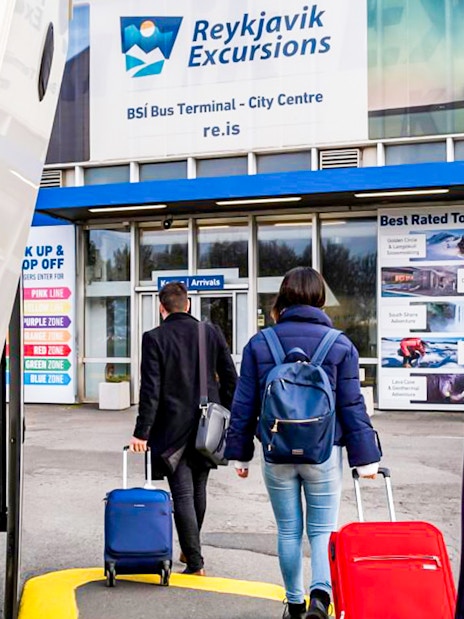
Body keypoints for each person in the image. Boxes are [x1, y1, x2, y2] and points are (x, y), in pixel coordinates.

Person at [224, 267, 382, 619]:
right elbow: (351, 405)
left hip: (276, 451)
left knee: (289, 530)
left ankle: (294, 604)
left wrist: (239, 454)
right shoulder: (340, 344)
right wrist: (365, 458)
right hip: (324, 453)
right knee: (322, 529)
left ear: (284, 297)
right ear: (320, 299)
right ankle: (321, 599)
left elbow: (244, 402)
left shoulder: (260, 343)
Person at [129, 281, 237, 576]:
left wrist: (142, 431)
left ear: (161, 308)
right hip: (208, 426)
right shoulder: (209, 332)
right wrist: (229, 418)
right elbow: (231, 379)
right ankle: (191, 550)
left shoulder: (154, 338)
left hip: (171, 428)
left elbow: (150, 389)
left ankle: (195, 560)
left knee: (183, 494)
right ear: (187, 305)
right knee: (198, 489)